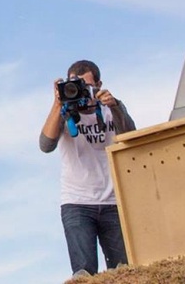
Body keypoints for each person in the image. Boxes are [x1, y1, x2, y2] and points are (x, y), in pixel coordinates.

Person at [39, 60, 136, 277]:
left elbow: (130, 137)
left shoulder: (112, 108)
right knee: (83, 273)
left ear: (99, 85)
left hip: (113, 200)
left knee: (125, 271)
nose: (80, 91)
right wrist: (57, 105)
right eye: (74, 85)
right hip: (77, 202)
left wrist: (115, 106)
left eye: (86, 86)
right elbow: (45, 145)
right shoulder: (63, 113)